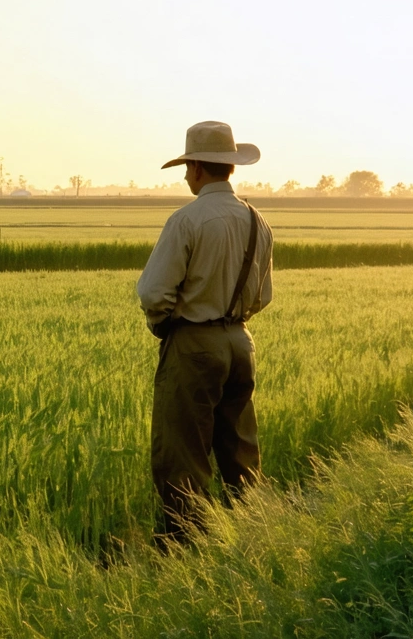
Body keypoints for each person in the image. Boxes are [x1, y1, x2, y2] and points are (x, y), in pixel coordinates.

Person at [136, 121, 274, 541]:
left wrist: (165, 323)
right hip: (240, 343)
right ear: (229, 167)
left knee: (182, 454)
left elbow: (152, 292)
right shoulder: (257, 220)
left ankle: (185, 548)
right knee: (240, 450)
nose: (184, 176)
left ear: (196, 167)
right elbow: (262, 295)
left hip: (195, 345)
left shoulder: (187, 220)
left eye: (186, 167)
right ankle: (251, 536)